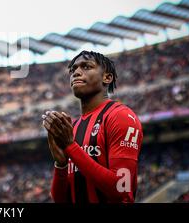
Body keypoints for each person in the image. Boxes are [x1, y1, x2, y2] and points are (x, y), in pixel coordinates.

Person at [42, 51, 143, 203]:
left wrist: (71, 146)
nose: (76, 72)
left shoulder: (120, 116)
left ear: (107, 77)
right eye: (73, 70)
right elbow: (61, 199)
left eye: (86, 67)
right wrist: (61, 165)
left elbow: (122, 189)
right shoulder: (73, 127)